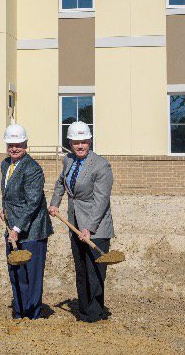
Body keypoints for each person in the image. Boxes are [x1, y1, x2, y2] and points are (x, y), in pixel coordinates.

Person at [48, 121, 115, 323]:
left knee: (95, 271)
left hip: (97, 227)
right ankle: (84, 311)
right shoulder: (68, 160)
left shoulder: (101, 165)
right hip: (75, 224)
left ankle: (96, 313)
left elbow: (102, 200)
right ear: (70, 142)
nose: (80, 146)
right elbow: (61, 182)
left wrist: (90, 228)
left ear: (90, 141)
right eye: (76, 142)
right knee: (81, 269)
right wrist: (55, 202)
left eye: (84, 142)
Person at [0, 123, 53, 319]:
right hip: (13, 227)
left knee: (32, 275)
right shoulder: (6, 164)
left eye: (18, 144)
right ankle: (20, 312)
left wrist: (17, 227)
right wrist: (5, 210)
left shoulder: (33, 169)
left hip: (32, 230)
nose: (14, 148)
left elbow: (32, 203)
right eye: (10, 144)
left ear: (26, 144)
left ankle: (32, 314)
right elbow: (8, 194)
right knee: (16, 272)